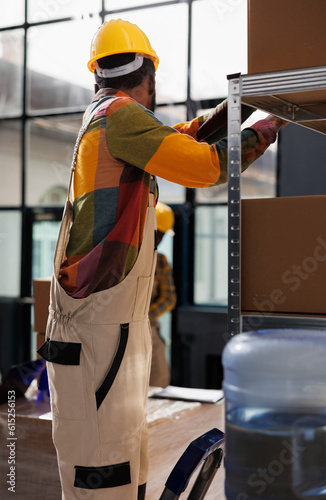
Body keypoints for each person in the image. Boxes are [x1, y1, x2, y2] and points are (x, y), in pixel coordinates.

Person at [37, 18, 287, 500]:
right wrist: (265, 128)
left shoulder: (114, 118)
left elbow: (181, 140)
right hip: (99, 330)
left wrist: (243, 103)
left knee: (125, 460)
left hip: (107, 327)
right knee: (104, 470)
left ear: (99, 71)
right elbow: (206, 165)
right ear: (148, 71)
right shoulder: (122, 116)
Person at [149, 202, 177, 388]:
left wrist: (142, 317)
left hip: (148, 328)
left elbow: (169, 299)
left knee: (158, 382)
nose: (158, 239)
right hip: (117, 328)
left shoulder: (160, 261)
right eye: (156, 233)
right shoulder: (124, 258)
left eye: (162, 235)